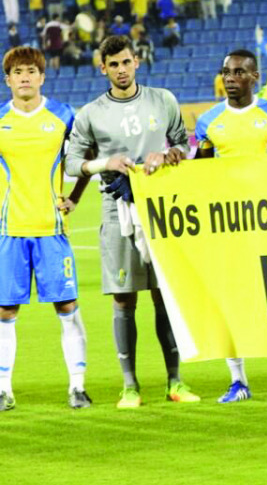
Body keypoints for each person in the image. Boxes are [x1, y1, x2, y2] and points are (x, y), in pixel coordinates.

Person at [64, 36, 200, 407]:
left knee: (164, 297)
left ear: (136, 61)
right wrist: (104, 163)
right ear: (102, 67)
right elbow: (73, 162)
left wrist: (169, 153)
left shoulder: (163, 100)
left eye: (126, 62)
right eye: (114, 65)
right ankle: (130, 386)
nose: (121, 70)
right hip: (116, 208)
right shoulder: (91, 113)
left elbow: (183, 145)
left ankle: (176, 382)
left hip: (161, 209)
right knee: (124, 300)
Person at [194, 50, 267, 402]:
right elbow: (197, 173)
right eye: (226, 72)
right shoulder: (208, 122)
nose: (231, 78)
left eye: (239, 72)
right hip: (228, 228)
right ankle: (238, 381)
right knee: (230, 302)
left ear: (255, 76)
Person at [0, 46, 93, 411]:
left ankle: (77, 387)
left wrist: (75, 198)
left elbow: (84, 160)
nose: (24, 77)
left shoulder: (64, 116)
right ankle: (4, 389)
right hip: (9, 231)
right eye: (17, 72)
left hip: (52, 230)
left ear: (42, 77)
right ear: (8, 80)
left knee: (68, 306)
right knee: (5, 312)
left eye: (30, 71)